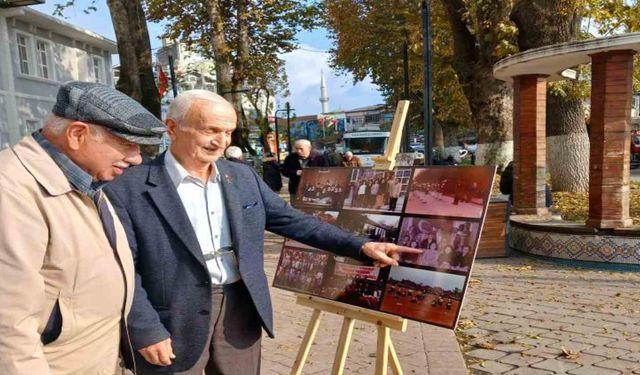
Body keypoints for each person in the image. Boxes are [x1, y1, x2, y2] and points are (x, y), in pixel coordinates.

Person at [103, 90, 421, 375]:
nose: (221, 141)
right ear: (172, 127)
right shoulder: (128, 188)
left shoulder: (241, 177)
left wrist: (361, 246)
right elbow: (122, 270)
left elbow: (294, 221)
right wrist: (145, 329)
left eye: (227, 132)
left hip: (239, 310)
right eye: (210, 130)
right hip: (171, 316)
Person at [0, 81, 165, 374]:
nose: (137, 158)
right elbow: (8, 328)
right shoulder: (12, 190)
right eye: (127, 144)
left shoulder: (83, 177)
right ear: (77, 134)